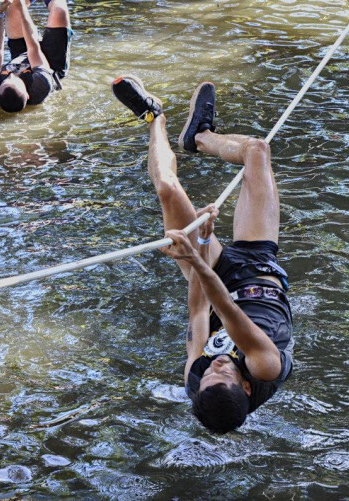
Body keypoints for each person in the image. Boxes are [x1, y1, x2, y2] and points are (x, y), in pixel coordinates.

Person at [111, 75, 294, 433]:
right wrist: (200, 250)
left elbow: (199, 309)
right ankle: (200, 137)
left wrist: (202, 248)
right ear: (244, 385)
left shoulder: (196, 375)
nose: (216, 365)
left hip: (209, 278)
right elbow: (226, 309)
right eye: (221, 372)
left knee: (167, 189)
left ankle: (154, 117)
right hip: (259, 269)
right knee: (257, 151)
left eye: (208, 372)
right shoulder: (265, 367)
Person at [0, 0, 71, 113]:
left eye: (6, 80)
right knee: (59, 10)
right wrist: (22, 9)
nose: (11, 75)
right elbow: (33, 47)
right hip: (49, 63)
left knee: (13, 7)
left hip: (21, 56)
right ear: (27, 95)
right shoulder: (40, 85)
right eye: (15, 79)